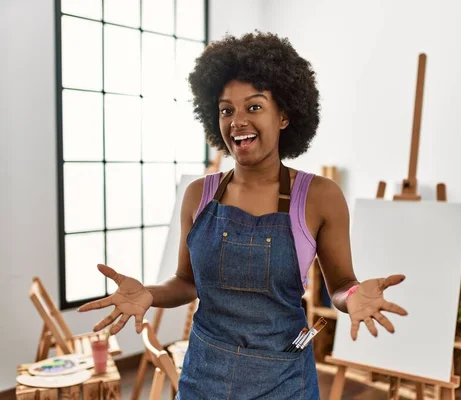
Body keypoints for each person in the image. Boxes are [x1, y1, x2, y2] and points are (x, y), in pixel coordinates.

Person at [78, 31, 408, 399]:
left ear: (284, 115)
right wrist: (149, 294)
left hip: (282, 379)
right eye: (226, 110)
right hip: (205, 376)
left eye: (254, 107)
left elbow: (342, 283)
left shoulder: (319, 197)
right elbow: (187, 282)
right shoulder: (197, 195)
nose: (237, 121)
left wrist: (354, 295)